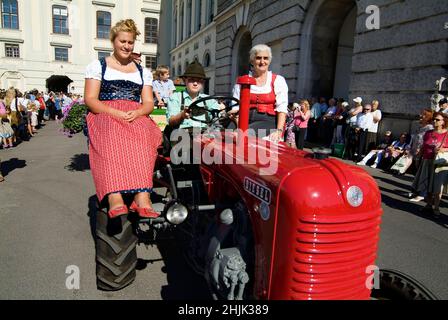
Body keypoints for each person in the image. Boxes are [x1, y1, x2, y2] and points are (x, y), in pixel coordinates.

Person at [84, 19, 162, 219]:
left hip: (134, 114)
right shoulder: (98, 66)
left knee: (147, 134)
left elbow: (148, 103)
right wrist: (115, 112)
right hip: (106, 112)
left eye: (130, 42)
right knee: (110, 133)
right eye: (123, 41)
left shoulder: (142, 71)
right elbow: (91, 99)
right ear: (113, 41)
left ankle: (142, 195)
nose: (127, 46)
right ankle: (114, 196)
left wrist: (137, 113)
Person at [232, 44, 288, 142]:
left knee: (245, 135)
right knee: (225, 134)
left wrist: (279, 131)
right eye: (258, 58)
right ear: (252, 60)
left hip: (267, 120)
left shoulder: (278, 80)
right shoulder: (243, 80)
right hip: (243, 120)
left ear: (269, 61)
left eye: (265, 58)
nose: (262, 61)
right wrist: (239, 126)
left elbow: (282, 109)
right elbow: (236, 108)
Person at [166, 59, 221, 131]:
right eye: (191, 79)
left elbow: (216, 121)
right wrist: (182, 115)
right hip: (182, 135)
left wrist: (224, 114)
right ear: (184, 80)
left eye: (199, 80)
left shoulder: (209, 100)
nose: (195, 83)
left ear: (203, 82)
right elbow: (171, 122)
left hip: (205, 136)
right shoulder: (176, 97)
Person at [411, 112, 448, 203]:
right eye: (434, 119)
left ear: (443, 122)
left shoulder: (447, 134)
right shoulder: (428, 133)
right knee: (426, 183)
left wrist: (444, 150)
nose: (435, 121)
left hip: (439, 162)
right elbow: (424, 146)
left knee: (436, 185)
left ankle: (436, 207)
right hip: (427, 160)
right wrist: (418, 158)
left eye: (437, 120)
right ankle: (428, 205)